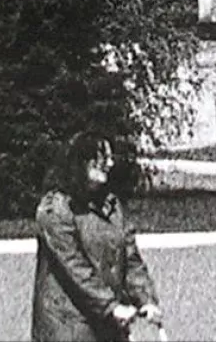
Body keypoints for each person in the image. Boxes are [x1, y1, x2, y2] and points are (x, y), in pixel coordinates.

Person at [31, 132, 163, 341]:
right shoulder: (55, 209)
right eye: (103, 157)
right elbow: (75, 268)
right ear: (82, 162)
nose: (110, 163)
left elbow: (131, 258)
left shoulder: (112, 205)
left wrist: (145, 299)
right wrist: (111, 306)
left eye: (110, 157)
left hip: (107, 323)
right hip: (67, 326)